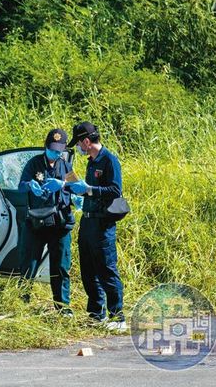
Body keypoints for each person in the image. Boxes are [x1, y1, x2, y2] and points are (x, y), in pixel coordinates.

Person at [66, 121, 126, 331]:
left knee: (107, 269)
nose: (79, 149)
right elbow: (90, 190)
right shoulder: (91, 161)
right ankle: (96, 313)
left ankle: (117, 316)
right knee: (88, 270)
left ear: (87, 141)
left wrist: (90, 189)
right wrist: (78, 192)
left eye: (80, 144)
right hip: (88, 221)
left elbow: (115, 190)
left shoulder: (109, 160)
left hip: (103, 223)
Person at [18, 128, 76, 315]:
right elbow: (20, 186)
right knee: (29, 263)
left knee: (60, 266)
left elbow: (78, 188)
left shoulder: (66, 167)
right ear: (46, 146)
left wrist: (64, 184)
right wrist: (30, 186)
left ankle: (62, 307)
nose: (55, 154)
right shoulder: (34, 164)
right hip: (36, 222)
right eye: (52, 150)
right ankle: (21, 302)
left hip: (59, 223)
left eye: (59, 151)